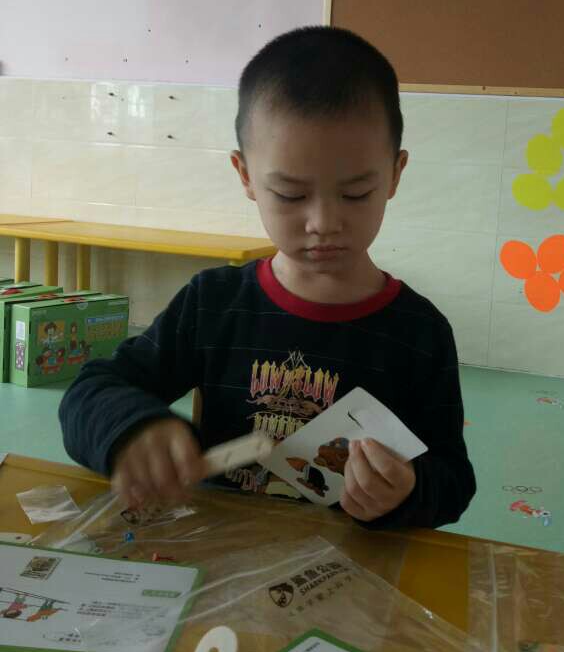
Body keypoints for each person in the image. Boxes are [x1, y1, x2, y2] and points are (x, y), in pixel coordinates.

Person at [60, 26, 475, 529]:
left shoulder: (420, 333)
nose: (323, 222)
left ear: (395, 174)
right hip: (222, 553)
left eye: (356, 194)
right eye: (291, 195)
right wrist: (132, 429)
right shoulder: (213, 303)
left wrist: (407, 488)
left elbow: (453, 482)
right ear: (246, 176)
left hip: (350, 563)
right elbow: (91, 391)